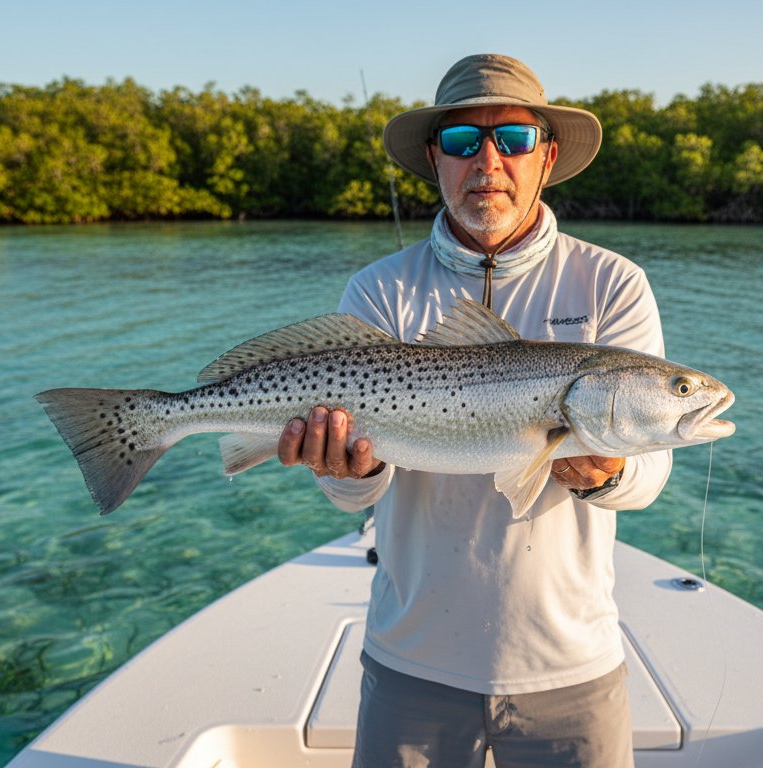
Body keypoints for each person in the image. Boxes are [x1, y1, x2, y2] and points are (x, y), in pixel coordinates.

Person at [276, 54, 671, 768]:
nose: (488, 159)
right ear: (436, 159)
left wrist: (608, 472)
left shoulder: (613, 284)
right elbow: (348, 496)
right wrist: (345, 470)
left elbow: (649, 475)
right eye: (462, 141)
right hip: (411, 662)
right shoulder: (378, 292)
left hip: (571, 665)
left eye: (513, 140)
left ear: (546, 157)